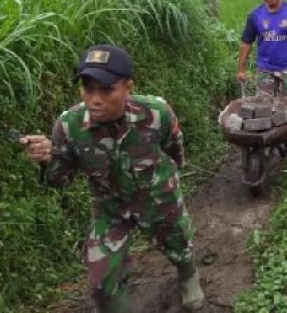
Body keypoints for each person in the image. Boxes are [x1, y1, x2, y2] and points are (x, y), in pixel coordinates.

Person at [19, 44, 204, 312]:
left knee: (178, 240)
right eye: (87, 88)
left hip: (156, 195)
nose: (94, 99)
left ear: (128, 87)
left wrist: (167, 180)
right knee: (102, 286)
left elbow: (174, 146)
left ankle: (188, 275)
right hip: (110, 207)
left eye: (106, 90)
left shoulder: (156, 113)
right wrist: (49, 159)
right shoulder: (69, 127)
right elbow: (60, 180)